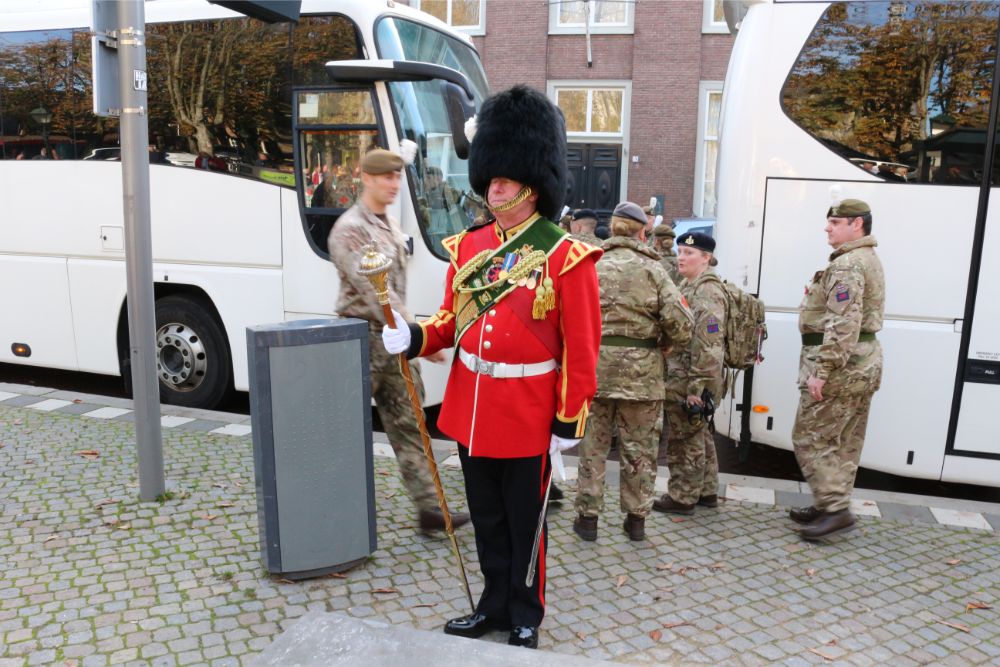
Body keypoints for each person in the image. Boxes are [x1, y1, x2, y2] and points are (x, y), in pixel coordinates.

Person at [381, 85, 601, 649]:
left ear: (532, 185)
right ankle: (491, 603)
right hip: (473, 409)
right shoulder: (471, 248)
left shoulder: (563, 255)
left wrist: (567, 423)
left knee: (526, 527)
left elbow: (582, 346)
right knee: (488, 519)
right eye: (490, 179)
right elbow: (453, 321)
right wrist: (413, 335)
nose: (491, 188)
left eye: (503, 180)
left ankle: (526, 611)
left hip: (529, 416)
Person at [328, 148, 470, 533]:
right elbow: (378, 293)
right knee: (343, 430)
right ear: (367, 178)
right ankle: (332, 510)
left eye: (397, 177)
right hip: (361, 340)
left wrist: (412, 337)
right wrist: (420, 336)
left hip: (392, 341)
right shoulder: (350, 228)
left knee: (412, 424)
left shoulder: (388, 223)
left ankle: (431, 509)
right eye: (387, 177)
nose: (395, 184)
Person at [573, 201, 692, 542]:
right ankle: (636, 522)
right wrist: (666, 343)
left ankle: (587, 519)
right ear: (643, 232)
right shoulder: (654, 270)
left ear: (611, 230)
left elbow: (570, 317)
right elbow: (683, 324)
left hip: (594, 372)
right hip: (642, 377)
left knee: (592, 448)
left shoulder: (591, 264)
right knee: (639, 450)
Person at [790, 198, 884, 540]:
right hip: (864, 362)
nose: (827, 227)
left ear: (856, 224)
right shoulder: (867, 258)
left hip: (842, 367)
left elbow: (843, 322)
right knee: (844, 440)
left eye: (835, 222)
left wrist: (823, 370)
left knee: (810, 438)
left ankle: (835, 509)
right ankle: (829, 502)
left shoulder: (848, 265)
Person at [653, 232, 726, 516]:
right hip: (687, 374)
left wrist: (698, 389)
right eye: (681, 251)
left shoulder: (707, 291)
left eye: (689, 253)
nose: (681, 257)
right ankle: (706, 491)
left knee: (685, 438)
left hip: (692, 378)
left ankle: (683, 496)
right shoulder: (691, 285)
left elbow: (710, 345)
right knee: (700, 433)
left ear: (706, 258)